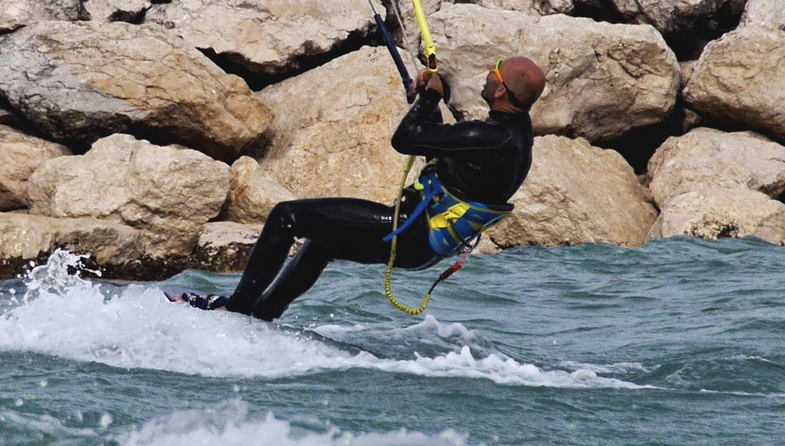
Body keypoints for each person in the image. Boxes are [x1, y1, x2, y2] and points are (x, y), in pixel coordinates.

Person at [173, 56, 546, 320]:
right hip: (424, 242)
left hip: (410, 232)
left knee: (287, 217)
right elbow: (444, 148)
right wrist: (429, 103)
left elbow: (406, 138)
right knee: (321, 243)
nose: (487, 72)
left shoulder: (490, 136)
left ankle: (235, 310)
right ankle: (263, 315)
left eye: (494, 71)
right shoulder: (513, 136)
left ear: (501, 91)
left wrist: (430, 97)